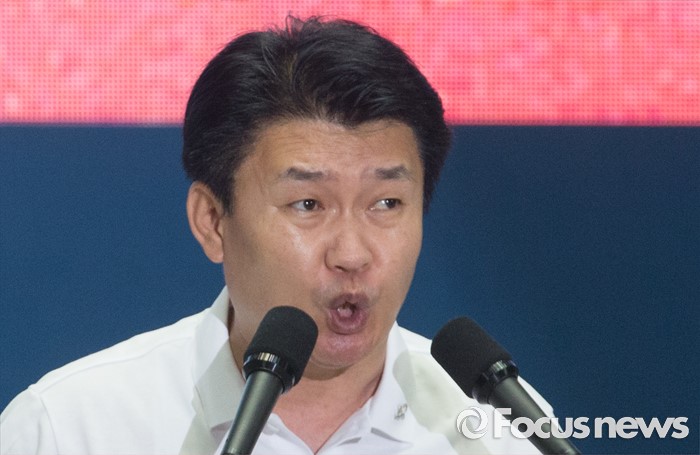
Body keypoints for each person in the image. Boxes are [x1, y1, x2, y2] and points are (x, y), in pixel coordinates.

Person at [1, 16, 552, 454]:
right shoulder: (71, 430)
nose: (352, 254)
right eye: (307, 205)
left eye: (386, 203)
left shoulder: (503, 432)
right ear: (212, 221)